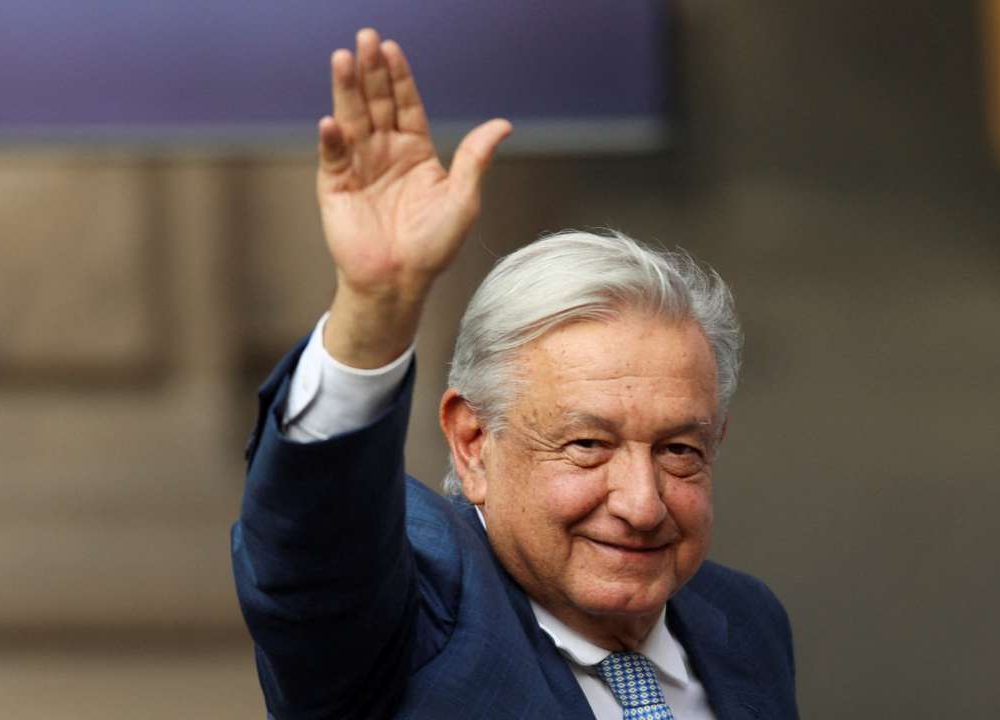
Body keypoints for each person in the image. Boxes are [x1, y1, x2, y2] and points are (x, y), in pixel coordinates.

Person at [232, 28, 798, 720]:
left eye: (680, 451)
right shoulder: (420, 608)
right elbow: (313, 552)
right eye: (588, 446)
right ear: (473, 442)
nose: (643, 503)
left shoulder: (745, 625)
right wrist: (376, 308)